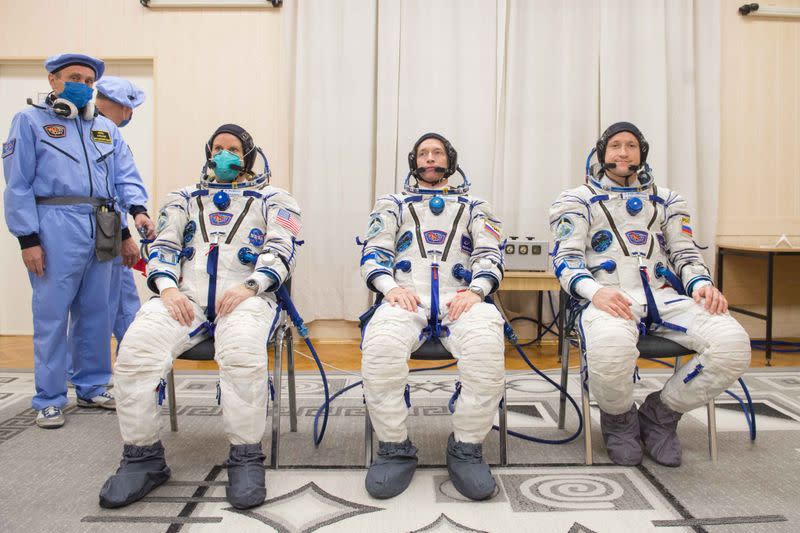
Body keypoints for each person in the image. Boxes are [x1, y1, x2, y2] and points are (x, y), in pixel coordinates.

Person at [99, 124, 301, 510]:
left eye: (234, 149)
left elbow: (282, 246)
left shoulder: (275, 198)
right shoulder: (183, 198)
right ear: (209, 153)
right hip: (183, 297)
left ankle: (245, 456)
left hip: (246, 297)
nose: (225, 155)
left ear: (249, 156)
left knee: (242, 356)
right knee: (135, 352)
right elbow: (163, 246)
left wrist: (252, 286)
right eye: (219, 148)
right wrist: (167, 287)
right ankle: (143, 458)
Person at [549, 122, 751, 467]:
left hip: (663, 296)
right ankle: (620, 420)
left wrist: (702, 284)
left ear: (642, 153)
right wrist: (594, 292)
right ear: (602, 154)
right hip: (607, 296)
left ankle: (661, 413)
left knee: (732, 343)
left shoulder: (668, 200)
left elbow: (685, 254)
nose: (623, 152)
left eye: (631, 145)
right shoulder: (576, 200)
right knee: (611, 349)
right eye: (615, 146)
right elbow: (565, 260)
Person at [2, 53, 153, 429]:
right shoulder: (30, 121)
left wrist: (135, 214)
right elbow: (17, 184)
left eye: (89, 81)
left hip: (102, 223)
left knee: (97, 311)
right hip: (54, 224)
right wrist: (28, 239)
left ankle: (91, 386)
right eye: (75, 77)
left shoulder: (105, 128)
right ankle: (50, 398)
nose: (83, 86)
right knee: (52, 313)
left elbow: (123, 177)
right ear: (54, 81)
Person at [359, 133, 505, 501]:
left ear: (450, 160)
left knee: (488, 353)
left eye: (437, 153)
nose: (429, 159)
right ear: (414, 161)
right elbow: (374, 253)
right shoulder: (392, 203)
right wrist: (389, 288)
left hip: (463, 299)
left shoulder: (476, 206)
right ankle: (394, 447)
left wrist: (477, 291)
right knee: (379, 352)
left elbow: (490, 255)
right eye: (423, 153)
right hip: (406, 297)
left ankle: (466, 447)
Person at [93, 76, 148, 346]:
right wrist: (125, 236)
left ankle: (135, 361)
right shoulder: (93, 134)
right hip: (102, 229)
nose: (130, 114)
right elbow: (109, 191)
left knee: (124, 300)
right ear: (120, 106)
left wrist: (138, 211)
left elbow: (124, 182)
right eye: (129, 108)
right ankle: (79, 371)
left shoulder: (110, 136)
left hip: (110, 229)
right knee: (94, 305)